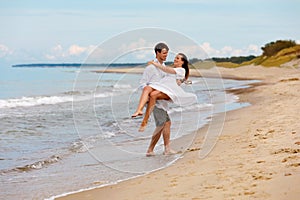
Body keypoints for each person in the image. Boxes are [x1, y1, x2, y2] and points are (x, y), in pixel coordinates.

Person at [136, 53, 198, 132]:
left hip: (170, 92)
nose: (175, 59)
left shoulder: (181, 70)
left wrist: (154, 63)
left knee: (153, 94)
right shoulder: (175, 71)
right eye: (175, 58)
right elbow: (165, 75)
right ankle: (143, 116)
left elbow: (166, 70)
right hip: (163, 88)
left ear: (182, 62)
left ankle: (145, 120)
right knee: (151, 93)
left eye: (178, 58)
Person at [135, 42, 175, 156]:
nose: (165, 55)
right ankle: (150, 150)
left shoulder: (164, 67)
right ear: (157, 53)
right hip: (155, 101)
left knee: (167, 123)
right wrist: (149, 96)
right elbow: (142, 84)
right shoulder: (150, 68)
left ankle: (166, 149)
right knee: (161, 124)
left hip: (162, 100)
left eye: (166, 54)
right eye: (163, 53)